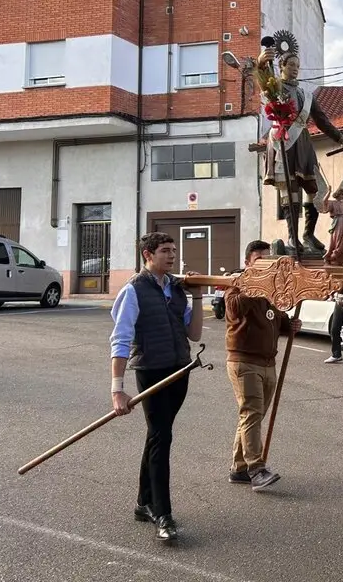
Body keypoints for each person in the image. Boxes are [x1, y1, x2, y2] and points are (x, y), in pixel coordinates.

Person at [109, 232, 204, 542]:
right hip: (152, 372)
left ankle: (143, 503)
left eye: (173, 250)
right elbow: (120, 340)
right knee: (162, 437)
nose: (172, 255)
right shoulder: (133, 290)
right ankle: (162, 513)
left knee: (157, 434)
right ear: (148, 255)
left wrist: (198, 296)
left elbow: (193, 333)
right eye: (165, 250)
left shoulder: (176, 289)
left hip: (180, 370)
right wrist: (117, 389)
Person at [252, 30, 343, 256]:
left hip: (303, 143)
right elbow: (262, 75)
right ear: (282, 66)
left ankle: (307, 234)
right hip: (285, 143)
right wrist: (261, 62)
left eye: (298, 64)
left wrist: (340, 137)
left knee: (316, 190)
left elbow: (322, 119)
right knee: (291, 192)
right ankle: (292, 237)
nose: (295, 68)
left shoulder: (306, 94)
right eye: (291, 64)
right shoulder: (275, 86)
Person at [224, 240, 302, 491]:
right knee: (252, 413)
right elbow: (234, 309)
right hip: (244, 361)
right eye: (259, 260)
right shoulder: (237, 284)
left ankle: (239, 468)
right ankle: (256, 469)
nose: (265, 265)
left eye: (268, 260)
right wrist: (255, 281)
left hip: (268, 362)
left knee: (252, 415)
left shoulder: (271, 291)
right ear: (248, 262)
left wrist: (290, 325)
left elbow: (277, 320)